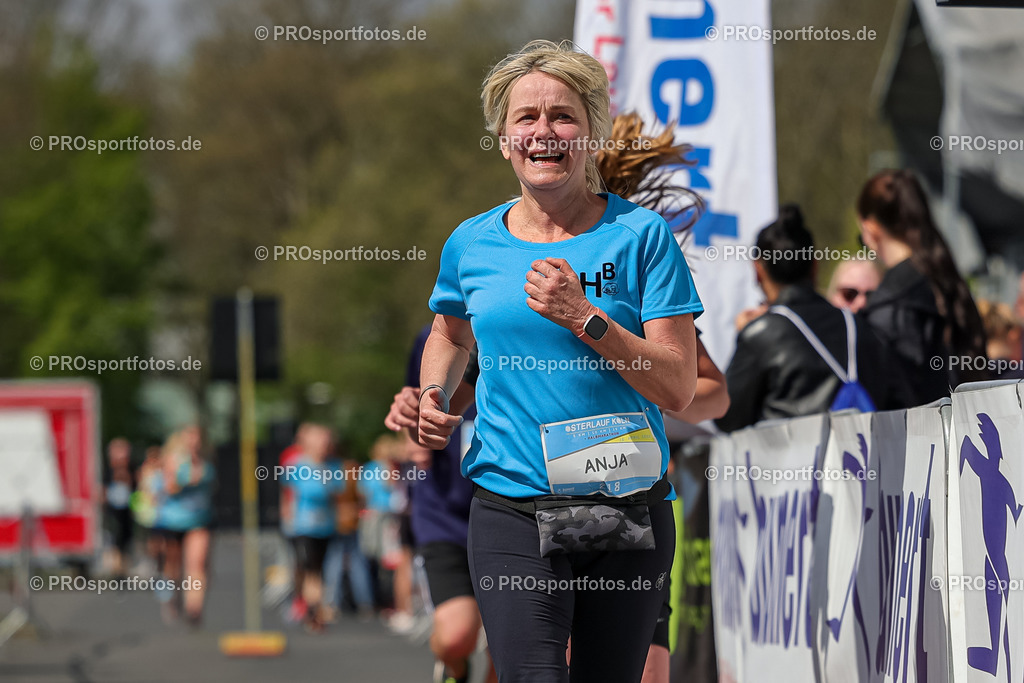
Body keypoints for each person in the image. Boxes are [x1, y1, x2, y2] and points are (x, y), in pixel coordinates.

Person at [418, 40, 702, 682]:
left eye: (563, 117)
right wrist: (434, 397)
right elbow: (449, 333)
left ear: (592, 134)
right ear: (502, 138)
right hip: (513, 503)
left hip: (626, 504)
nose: (543, 131)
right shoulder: (472, 243)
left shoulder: (640, 238)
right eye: (526, 118)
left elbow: (679, 387)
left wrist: (585, 318)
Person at [717, 205, 905, 432]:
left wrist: (745, 333)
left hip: (786, 466)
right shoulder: (859, 325)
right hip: (865, 462)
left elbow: (726, 416)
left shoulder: (759, 334)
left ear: (758, 270)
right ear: (814, 265)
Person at [857, 169, 988, 404]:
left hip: (921, 437)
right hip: (967, 430)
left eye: (862, 236)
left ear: (872, 229)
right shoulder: (947, 279)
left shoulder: (891, 304)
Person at [282, 424, 342, 632]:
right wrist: (288, 518)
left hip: (325, 526)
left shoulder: (333, 466)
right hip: (303, 526)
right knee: (309, 569)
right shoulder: (297, 465)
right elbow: (290, 492)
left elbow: (338, 492)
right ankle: (314, 609)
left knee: (320, 569)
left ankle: (312, 606)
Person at [159, 425, 215, 626]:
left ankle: (194, 608)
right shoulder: (173, 460)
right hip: (173, 520)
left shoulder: (206, 461)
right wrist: (183, 479)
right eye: (190, 438)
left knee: (197, 563)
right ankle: (170, 597)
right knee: (173, 567)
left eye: (197, 438)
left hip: (199, 520)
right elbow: (169, 488)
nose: (194, 442)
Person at [321, 448, 375, 621]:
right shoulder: (350, 470)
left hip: (339, 523)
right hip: (349, 522)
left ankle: (333, 604)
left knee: (335, 564)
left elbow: (333, 495)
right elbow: (363, 496)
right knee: (356, 563)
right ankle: (365, 603)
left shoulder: (335, 469)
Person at [103, 438, 135, 578]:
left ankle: (124, 570)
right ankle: (117, 572)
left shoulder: (132, 470)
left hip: (128, 512)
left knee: (126, 541)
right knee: (114, 540)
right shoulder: (107, 471)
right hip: (112, 512)